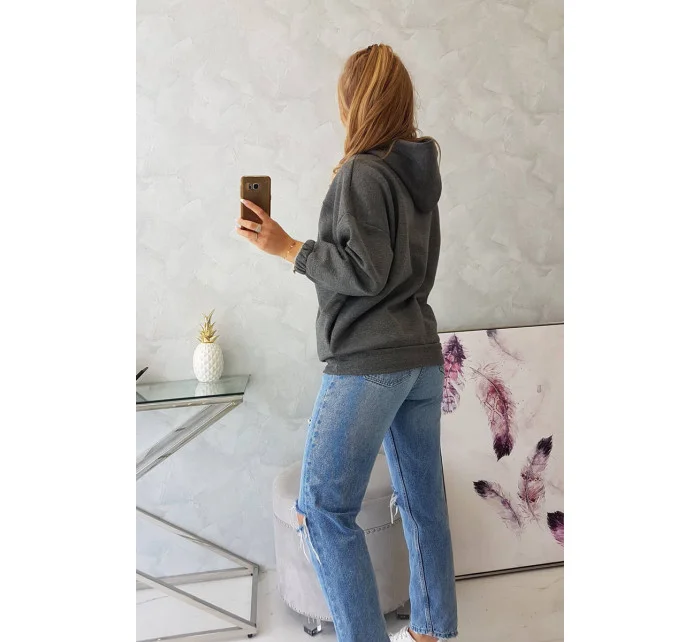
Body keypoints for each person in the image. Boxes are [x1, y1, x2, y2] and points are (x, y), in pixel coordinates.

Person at [237, 43, 458, 642]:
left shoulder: (364, 172)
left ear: (355, 101)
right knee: (422, 502)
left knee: (322, 509)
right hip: (420, 356)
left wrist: (288, 248)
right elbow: (408, 270)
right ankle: (431, 632)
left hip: (370, 362)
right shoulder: (418, 180)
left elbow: (365, 272)